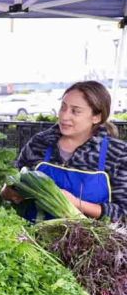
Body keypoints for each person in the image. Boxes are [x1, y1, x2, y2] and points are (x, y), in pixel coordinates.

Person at [8, 81, 127, 221]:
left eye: (75, 111)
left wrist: (77, 204)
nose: (64, 116)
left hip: (90, 241)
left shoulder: (118, 153)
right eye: (63, 108)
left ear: (97, 117)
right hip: (30, 238)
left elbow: (123, 213)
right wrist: (10, 192)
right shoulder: (40, 143)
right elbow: (13, 180)